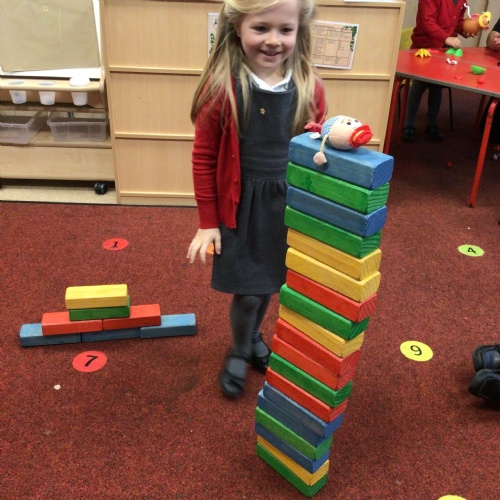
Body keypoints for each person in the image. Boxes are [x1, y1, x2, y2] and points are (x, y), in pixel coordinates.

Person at [186, 0, 327, 399]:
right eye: (261, 28)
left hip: (284, 205)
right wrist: (207, 222)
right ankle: (239, 348)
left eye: (285, 29)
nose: (273, 40)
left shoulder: (308, 86)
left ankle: (251, 337)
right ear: (237, 27)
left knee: (269, 284)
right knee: (248, 289)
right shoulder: (223, 88)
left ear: (300, 30)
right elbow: (204, 158)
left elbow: (314, 149)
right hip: (241, 206)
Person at [402, 0, 471, 142]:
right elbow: (427, 21)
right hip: (424, 48)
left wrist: (467, 29)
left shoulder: (462, 1)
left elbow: (457, 22)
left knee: (436, 87)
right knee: (419, 85)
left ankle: (432, 123)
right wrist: (446, 38)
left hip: (443, 52)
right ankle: (409, 125)